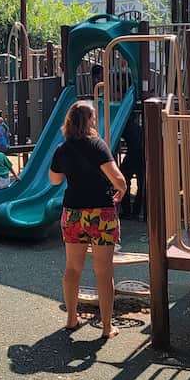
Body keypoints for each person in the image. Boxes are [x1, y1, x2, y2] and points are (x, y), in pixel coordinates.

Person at [48, 100, 128, 339]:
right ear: (89, 121)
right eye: (93, 117)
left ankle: (71, 318)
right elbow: (118, 180)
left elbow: (54, 179)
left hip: (73, 212)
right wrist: (122, 190)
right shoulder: (97, 145)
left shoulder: (63, 149)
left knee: (72, 268)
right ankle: (106, 326)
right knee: (103, 271)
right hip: (101, 212)